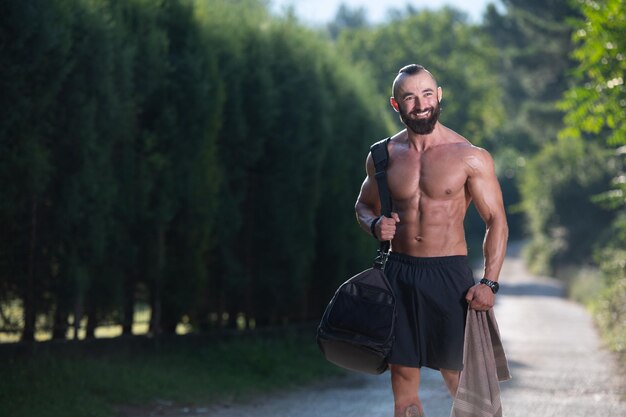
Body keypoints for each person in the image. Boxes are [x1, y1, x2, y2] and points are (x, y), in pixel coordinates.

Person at [355, 64, 508, 417]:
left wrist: (489, 282)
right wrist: (374, 224)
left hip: (449, 276)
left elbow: (496, 221)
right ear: (396, 105)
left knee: (470, 393)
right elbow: (363, 205)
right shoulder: (382, 156)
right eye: (410, 97)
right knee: (404, 392)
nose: (420, 104)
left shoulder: (470, 156)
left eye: (426, 94)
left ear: (439, 96)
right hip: (399, 275)